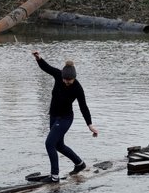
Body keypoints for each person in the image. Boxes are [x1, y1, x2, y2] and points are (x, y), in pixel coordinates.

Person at [32, 51, 99, 182]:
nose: (67, 82)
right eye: (65, 80)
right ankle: (80, 164)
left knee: (49, 143)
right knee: (59, 145)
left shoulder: (78, 88)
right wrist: (39, 58)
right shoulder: (58, 75)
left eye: (70, 80)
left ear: (74, 78)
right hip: (53, 116)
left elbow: (83, 107)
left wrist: (90, 125)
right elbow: (47, 68)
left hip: (65, 118)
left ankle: (54, 177)